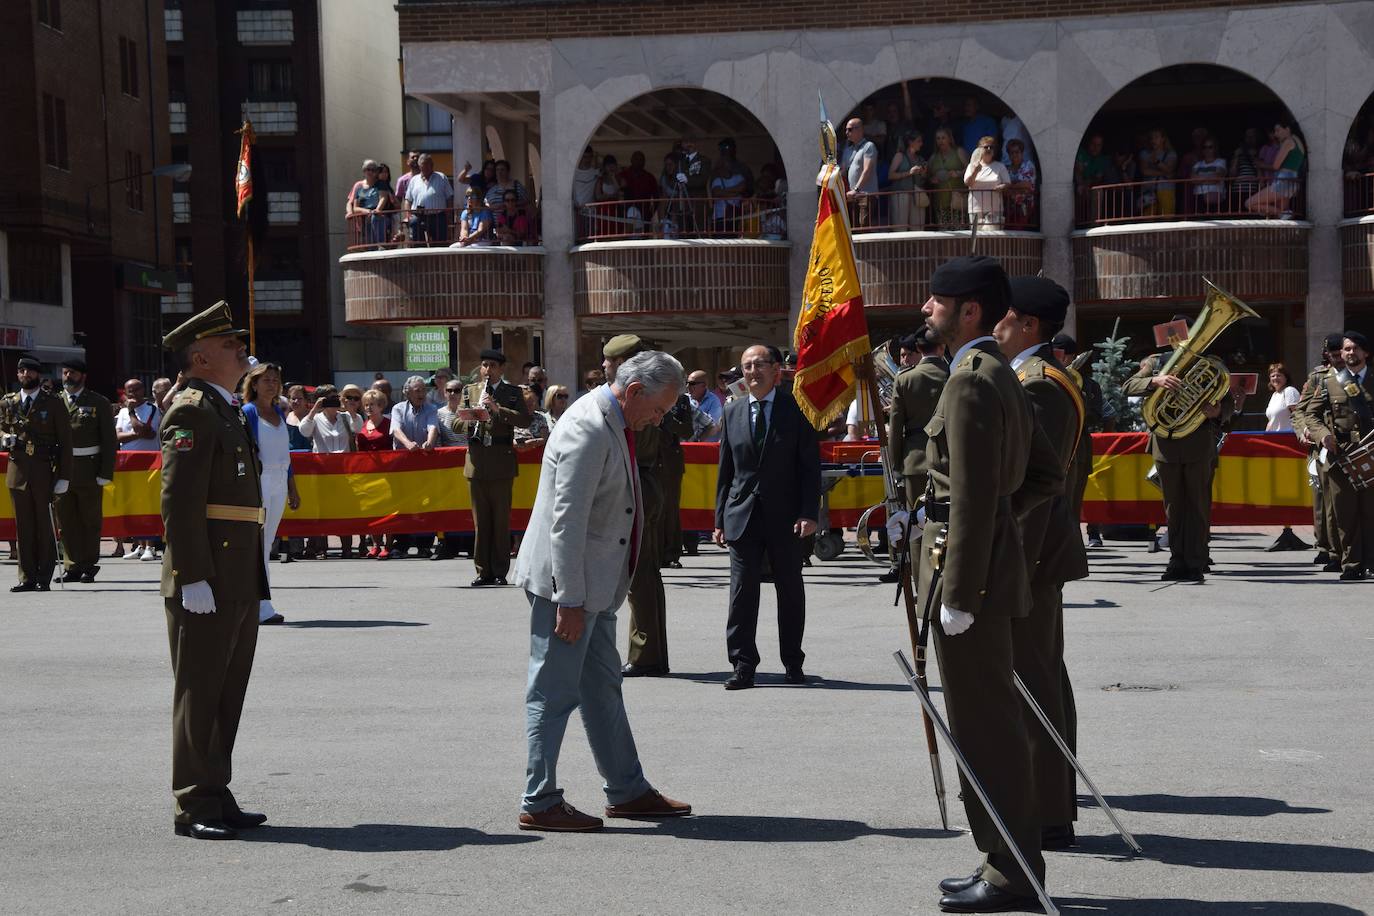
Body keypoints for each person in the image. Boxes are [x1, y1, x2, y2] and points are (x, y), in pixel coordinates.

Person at [917, 255, 1061, 913]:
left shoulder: (972, 381)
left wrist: (959, 593)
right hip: (980, 571)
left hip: (967, 584)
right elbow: (1041, 478)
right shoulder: (999, 372)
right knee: (989, 723)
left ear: (967, 310)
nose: (926, 309)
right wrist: (1001, 531)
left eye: (936, 301)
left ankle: (1011, 871)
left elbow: (974, 499)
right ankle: (1002, 857)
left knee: (985, 729)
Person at [512, 349, 691, 832]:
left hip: (594, 585)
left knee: (602, 688)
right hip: (568, 588)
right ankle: (540, 799)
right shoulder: (589, 428)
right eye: (657, 409)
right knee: (553, 692)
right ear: (634, 391)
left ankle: (627, 790)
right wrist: (569, 600)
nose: (659, 419)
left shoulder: (613, 418)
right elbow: (565, 524)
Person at [157, 301, 269, 841]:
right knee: (200, 689)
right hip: (208, 575)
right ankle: (193, 800)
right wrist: (192, 574)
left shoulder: (224, 407)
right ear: (201, 357)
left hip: (237, 571)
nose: (240, 348)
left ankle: (216, 790)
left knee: (228, 688)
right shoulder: (193, 409)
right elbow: (179, 500)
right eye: (229, 344)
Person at [997, 276, 1090, 851]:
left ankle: (1049, 809)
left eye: (1003, 315)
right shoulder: (1033, 379)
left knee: (1034, 682)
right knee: (1041, 677)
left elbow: (1034, 491)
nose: (995, 325)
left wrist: (1006, 566)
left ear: (1028, 324)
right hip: (1033, 558)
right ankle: (1050, 803)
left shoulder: (1039, 386)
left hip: (1030, 559)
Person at [713, 344, 821, 690]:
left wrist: (809, 512)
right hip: (742, 514)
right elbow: (725, 471)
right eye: (746, 366)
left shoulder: (797, 409)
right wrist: (719, 520)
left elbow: (809, 468)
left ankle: (793, 661)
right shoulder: (732, 413)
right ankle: (743, 664)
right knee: (742, 591)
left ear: (777, 370)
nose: (752, 372)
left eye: (759, 365)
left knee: (789, 589)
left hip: (786, 516)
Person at [601, 336, 691, 678]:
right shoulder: (637, 393)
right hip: (642, 485)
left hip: (638, 487)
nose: (607, 369)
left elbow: (635, 449)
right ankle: (649, 653)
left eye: (611, 363)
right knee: (644, 576)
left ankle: (645, 655)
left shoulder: (641, 399)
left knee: (640, 577)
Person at [1121, 314, 1234, 582]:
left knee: (1197, 505)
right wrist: (1155, 381)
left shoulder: (1212, 365)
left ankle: (1195, 561)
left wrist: (1217, 411)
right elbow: (1127, 386)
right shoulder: (1156, 363)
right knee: (1173, 506)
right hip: (1166, 444)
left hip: (1198, 443)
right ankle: (1176, 560)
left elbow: (1228, 403)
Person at [1295, 332, 1374, 580]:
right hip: (1341, 456)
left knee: (1371, 511)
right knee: (1345, 513)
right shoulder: (1330, 382)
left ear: (1366, 353)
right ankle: (1352, 564)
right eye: (1347, 349)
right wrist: (1322, 435)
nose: (1350, 353)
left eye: (1356, 349)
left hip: (1371, 454)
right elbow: (1311, 415)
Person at [457, 350, 531, 586]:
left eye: (492, 365)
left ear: (501, 369)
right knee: (481, 522)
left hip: (501, 462)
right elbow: (456, 422)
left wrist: (498, 410)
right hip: (477, 461)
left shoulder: (512, 393)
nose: (487, 370)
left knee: (500, 521)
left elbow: (524, 420)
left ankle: (499, 570)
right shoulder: (470, 391)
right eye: (484, 365)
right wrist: (473, 416)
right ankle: (482, 571)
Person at [2, 356, 73, 591]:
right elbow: (1, 427)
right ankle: (26, 577)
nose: (25, 375)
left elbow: (65, 441)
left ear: (38, 375)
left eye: (30, 372)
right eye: (21, 371)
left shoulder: (52, 403)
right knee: (23, 527)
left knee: (44, 525)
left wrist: (64, 476)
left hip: (44, 468)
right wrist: (3, 438)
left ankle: (44, 577)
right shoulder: (8, 402)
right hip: (18, 470)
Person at [240, 362, 299, 625]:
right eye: (266, 380)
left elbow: (286, 455)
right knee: (257, 546)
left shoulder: (278, 411)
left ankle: (258, 603)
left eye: (275, 380)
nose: (272, 384)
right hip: (259, 482)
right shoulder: (249, 412)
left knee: (266, 544)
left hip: (278, 481)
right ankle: (260, 606)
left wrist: (291, 487)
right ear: (253, 384)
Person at [55, 358, 116, 584]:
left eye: (72, 373)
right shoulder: (55, 401)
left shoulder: (98, 402)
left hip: (89, 469)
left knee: (89, 520)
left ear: (83, 376)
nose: (67, 376)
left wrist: (105, 472)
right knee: (66, 521)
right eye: (65, 372)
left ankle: (88, 565)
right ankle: (72, 565)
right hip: (63, 471)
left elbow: (109, 440)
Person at [1052, 333, 1110, 548]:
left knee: (1073, 503)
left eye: (1059, 354)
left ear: (1070, 357)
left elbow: (1097, 415)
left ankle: (1071, 548)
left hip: (1078, 449)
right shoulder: (1046, 375)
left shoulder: (1089, 385)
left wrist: (1078, 395)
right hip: (1054, 448)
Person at [1294, 335, 1345, 567]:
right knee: (1324, 503)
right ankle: (1327, 546)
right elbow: (1301, 411)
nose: (1337, 359)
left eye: (1339, 355)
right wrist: (1305, 430)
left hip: (1350, 445)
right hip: (1321, 446)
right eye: (1332, 356)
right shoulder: (1317, 377)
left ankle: (1345, 549)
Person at [887, 326, 949, 512]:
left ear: (919, 349)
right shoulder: (954, 374)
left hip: (914, 460)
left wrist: (896, 463)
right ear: (942, 347)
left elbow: (896, 427)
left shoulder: (905, 379)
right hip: (948, 458)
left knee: (916, 524)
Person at [356, 389, 396, 560]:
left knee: (387, 510)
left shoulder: (389, 424)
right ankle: (375, 545)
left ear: (380, 406)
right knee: (372, 510)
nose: (368, 408)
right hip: (368, 475)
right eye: (366, 405)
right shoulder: (363, 425)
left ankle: (388, 545)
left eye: (372, 404)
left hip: (387, 475)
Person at [1246, 120, 1306, 217]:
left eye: (1278, 130)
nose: (1275, 134)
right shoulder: (1299, 143)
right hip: (1291, 182)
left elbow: (1275, 166)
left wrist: (1260, 164)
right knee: (1281, 217)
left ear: (1287, 129)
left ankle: (1282, 213)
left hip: (1282, 182)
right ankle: (1283, 214)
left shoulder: (1288, 142)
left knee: (1249, 203)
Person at [404, 153, 454, 244]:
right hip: (418, 216)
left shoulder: (441, 177)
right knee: (417, 244)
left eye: (429, 164)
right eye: (424, 164)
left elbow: (449, 197)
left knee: (440, 244)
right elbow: (408, 199)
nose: (427, 166)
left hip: (437, 216)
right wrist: (408, 215)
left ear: (432, 165)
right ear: (419, 166)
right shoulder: (414, 180)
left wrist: (449, 215)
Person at [964, 136, 1010, 226]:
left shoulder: (1000, 166)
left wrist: (1002, 186)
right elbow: (968, 183)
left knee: (995, 237)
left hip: (995, 209)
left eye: (991, 147)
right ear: (979, 149)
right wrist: (975, 171)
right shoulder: (971, 166)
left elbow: (1008, 183)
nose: (988, 149)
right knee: (977, 237)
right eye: (986, 147)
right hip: (975, 209)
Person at [841, 117, 879, 226]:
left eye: (850, 129)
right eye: (846, 130)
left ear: (860, 130)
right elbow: (843, 171)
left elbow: (867, 170)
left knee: (864, 229)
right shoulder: (847, 150)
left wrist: (856, 189)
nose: (847, 132)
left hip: (866, 195)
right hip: (853, 197)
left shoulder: (869, 146)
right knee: (854, 230)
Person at [887, 131, 929, 230]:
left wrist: (923, 173)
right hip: (901, 194)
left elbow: (923, 179)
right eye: (918, 141)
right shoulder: (899, 156)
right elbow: (890, 175)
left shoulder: (920, 159)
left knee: (918, 227)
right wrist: (909, 173)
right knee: (900, 227)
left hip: (916, 195)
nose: (921, 144)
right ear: (910, 142)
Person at [929, 127, 969, 227]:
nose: (940, 141)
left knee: (960, 230)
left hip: (957, 198)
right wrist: (931, 179)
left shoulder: (959, 152)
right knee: (944, 232)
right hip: (941, 201)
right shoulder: (934, 157)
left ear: (950, 139)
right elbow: (928, 174)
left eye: (943, 138)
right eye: (938, 138)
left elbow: (970, 169)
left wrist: (958, 173)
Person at [1138, 128, 1178, 217]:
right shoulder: (1144, 153)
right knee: (1147, 218)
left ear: (1163, 139)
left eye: (1156, 137)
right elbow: (1145, 171)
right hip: (1148, 190)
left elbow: (1169, 169)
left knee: (1166, 218)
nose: (1153, 140)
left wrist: (1157, 162)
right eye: (1151, 138)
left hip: (1166, 189)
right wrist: (1164, 173)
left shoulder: (1171, 153)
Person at [1004, 139, 1038, 229]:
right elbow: (1005, 190)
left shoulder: (1028, 165)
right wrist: (1017, 187)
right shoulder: (1006, 169)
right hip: (1010, 208)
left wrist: (1010, 186)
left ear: (1022, 153)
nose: (1014, 155)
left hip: (1025, 208)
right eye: (1011, 153)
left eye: (1017, 152)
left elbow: (1027, 185)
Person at [1191, 139, 1228, 214]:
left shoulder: (1221, 162)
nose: (1207, 150)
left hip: (1215, 197)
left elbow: (1217, 178)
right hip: (1199, 196)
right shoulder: (1197, 164)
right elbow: (1193, 179)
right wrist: (1210, 177)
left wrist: (1200, 179)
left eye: (1210, 147)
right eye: (1205, 147)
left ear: (1215, 148)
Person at [686, 370, 723, 442]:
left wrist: (696, 442)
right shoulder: (685, 399)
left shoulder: (714, 401)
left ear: (704, 385)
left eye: (692, 383)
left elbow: (714, 427)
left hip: (706, 449)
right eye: (687, 383)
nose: (688, 386)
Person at [1265, 363, 1302, 432]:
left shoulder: (1290, 391)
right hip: (1274, 437)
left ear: (1286, 377)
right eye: (1272, 376)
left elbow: (1298, 415)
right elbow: (1271, 422)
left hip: (1288, 436)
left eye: (1278, 375)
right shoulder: (1274, 395)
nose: (1275, 378)